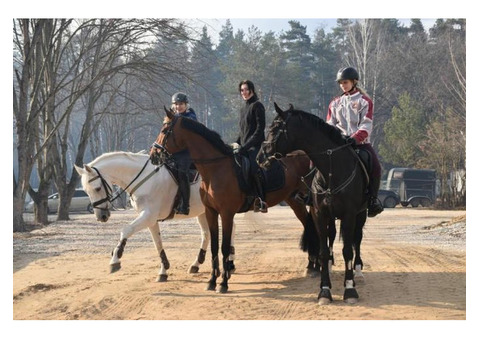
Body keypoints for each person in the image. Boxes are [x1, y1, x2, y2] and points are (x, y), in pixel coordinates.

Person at [326, 67, 384, 217]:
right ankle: (309, 195)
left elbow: (366, 124)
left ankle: (372, 200)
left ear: (354, 82)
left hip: (360, 144)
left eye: (345, 82)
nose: (342, 85)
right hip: (338, 145)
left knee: (376, 167)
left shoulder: (365, 101)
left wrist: (354, 139)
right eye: (340, 83)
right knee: (314, 162)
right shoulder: (335, 103)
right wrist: (336, 139)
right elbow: (330, 124)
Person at [234, 80, 268, 213]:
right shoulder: (243, 108)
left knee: (254, 167)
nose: (244, 92)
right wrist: (236, 144)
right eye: (242, 90)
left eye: (246, 89)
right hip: (244, 146)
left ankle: (261, 200)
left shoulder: (257, 106)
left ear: (252, 90)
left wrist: (246, 146)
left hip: (256, 146)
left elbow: (259, 131)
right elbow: (243, 131)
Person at [170, 92, 197, 215]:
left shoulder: (191, 117)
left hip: (188, 152)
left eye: (181, 104)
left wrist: (173, 119)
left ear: (186, 105)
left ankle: (185, 205)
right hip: (174, 151)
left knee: (182, 173)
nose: (178, 107)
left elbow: (185, 122)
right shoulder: (173, 117)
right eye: (176, 104)